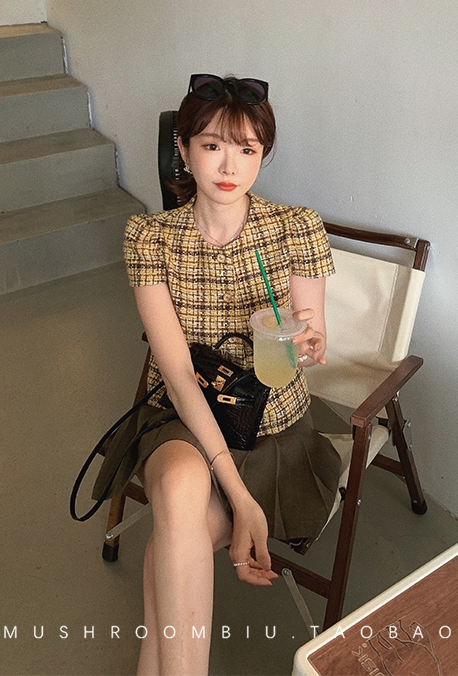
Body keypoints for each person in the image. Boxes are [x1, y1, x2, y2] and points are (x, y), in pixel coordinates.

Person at [98, 74, 341, 676]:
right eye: (212, 145)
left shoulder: (296, 227)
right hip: (186, 417)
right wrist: (239, 498)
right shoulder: (150, 237)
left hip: (273, 430)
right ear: (183, 150)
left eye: (247, 149)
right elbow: (179, 374)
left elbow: (308, 331)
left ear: (263, 155)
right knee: (181, 486)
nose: (230, 165)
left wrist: (309, 344)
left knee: (170, 541)